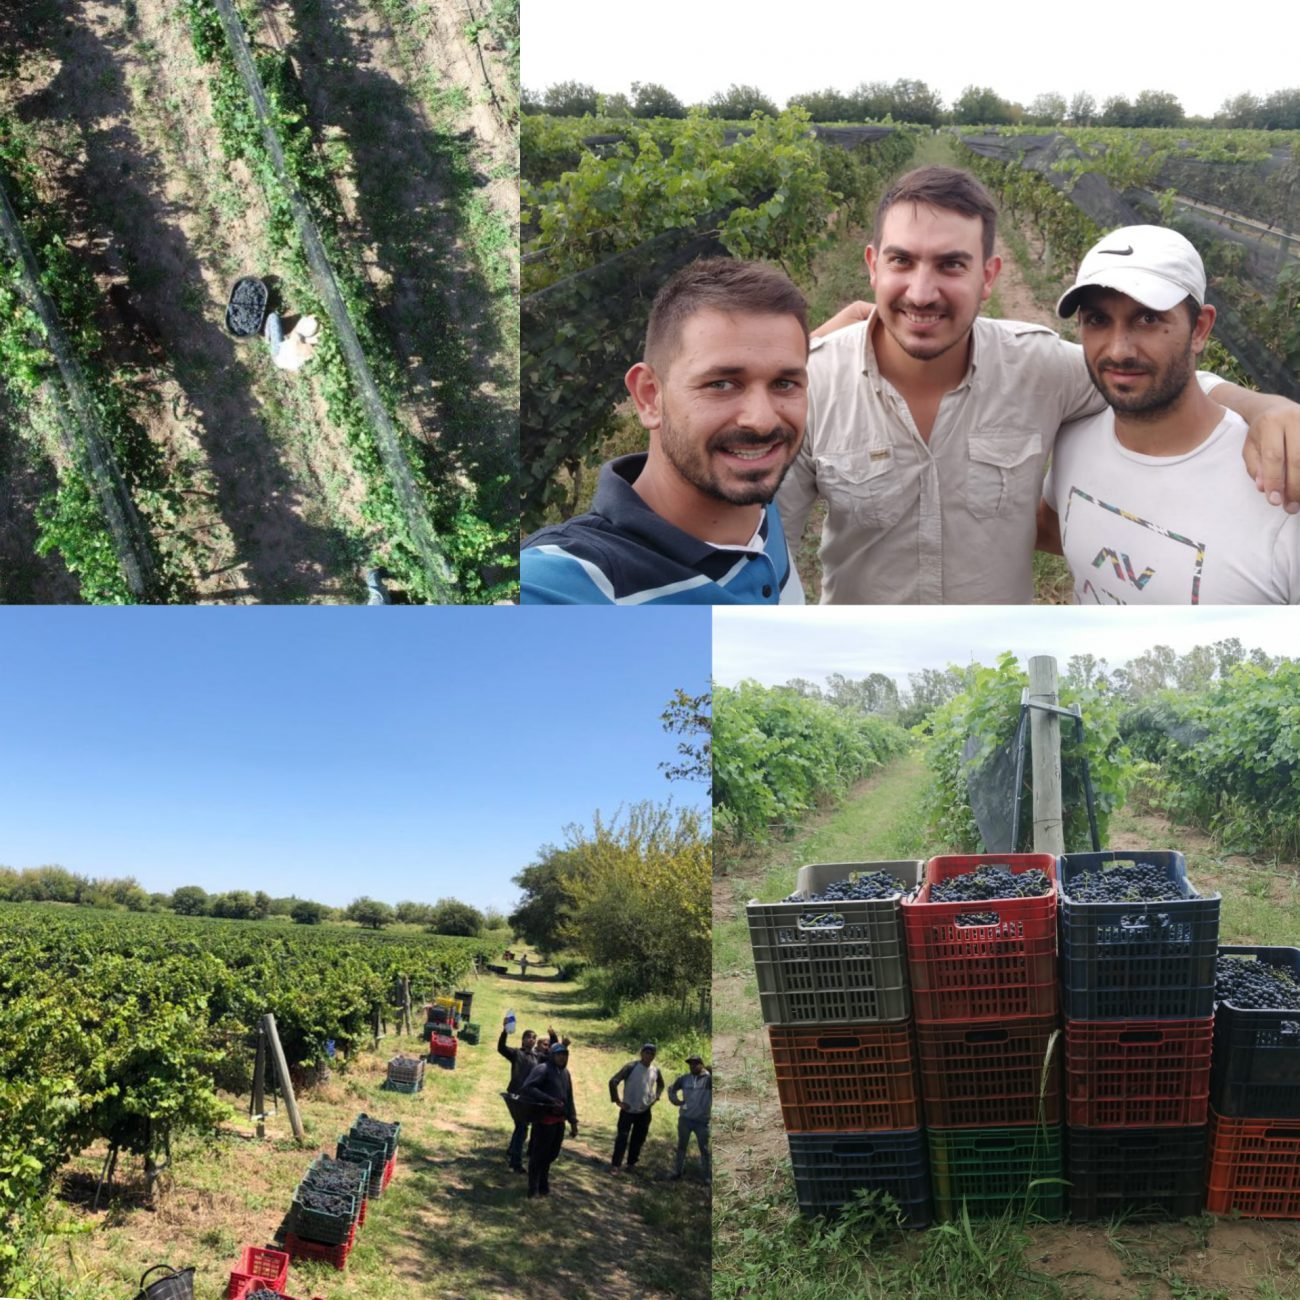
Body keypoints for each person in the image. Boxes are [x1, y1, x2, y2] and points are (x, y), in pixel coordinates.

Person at [776, 165, 1300, 604]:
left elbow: (1148, 378)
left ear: (989, 275)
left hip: (1001, 663)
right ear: (873, 266)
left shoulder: (1039, 368)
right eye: (902, 260)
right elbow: (768, 554)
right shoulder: (813, 384)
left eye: (951, 264)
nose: (922, 291)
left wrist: (1263, 405)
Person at [520, 258, 809, 604]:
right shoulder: (566, 585)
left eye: (784, 383)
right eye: (721, 384)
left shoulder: (755, 492)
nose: (762, 421)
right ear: (649, 396)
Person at [1038, 225, 1300, 603]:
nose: (1118, 350)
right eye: (1097, 319)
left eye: (1147, 319)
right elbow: (1056, 532)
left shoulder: (1278, 485)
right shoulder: (1072, 442)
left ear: (1200, 329)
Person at [519, 1041, 578, 1198]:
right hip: (544, 1119)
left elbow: (569, 1097)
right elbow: (528, 1087)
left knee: (552, 1154)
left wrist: (573, 1121)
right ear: (552, 1055)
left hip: (559, 1120)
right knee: (538, 1154)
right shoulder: (543, 1069)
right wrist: (549, 1099)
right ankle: (533, 1188)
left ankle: (543, 1183)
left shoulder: (565, 1073)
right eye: (559, 1055)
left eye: (565, 1055)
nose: (562, 1058)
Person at [608, 1042, 664, 1173]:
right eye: (647, 1053)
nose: (649, 1056)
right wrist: (617, 1101)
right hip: (628, 1109)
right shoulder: (631, 1067)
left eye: (652, 1054)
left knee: (639, 1138)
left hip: (645, 1110)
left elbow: (661, 1084)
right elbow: (613, 1081)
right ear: (642, 1053)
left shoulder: (655, 1070)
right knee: (622, 1137)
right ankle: (616, 1165)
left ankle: (631, 1164)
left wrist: (657, 1096)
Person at [497, 1019, 541, 1172]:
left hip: (529, 1098)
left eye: (534, 1037)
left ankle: (511, 1151)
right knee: (522, 1128)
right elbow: (501, 1048)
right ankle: (515, 1162)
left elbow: (553, 1061)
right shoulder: (516, 1054)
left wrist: (555, 1040)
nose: (531, 1039)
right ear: (523, 1040)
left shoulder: (538, 1058)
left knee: (521, 1126)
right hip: (516, 1096)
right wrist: (504, 1031)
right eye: (528, 1037)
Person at [668, 1054, 711, 1184]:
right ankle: (677, 1172)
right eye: (690, 1063)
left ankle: (707, 1177)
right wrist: (675, 1100)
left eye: (696, 1063)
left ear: (701, 1064)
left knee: (704, 1149)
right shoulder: (685, 1079)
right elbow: (672, 1089)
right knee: (681, 1146)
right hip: (685, 1120)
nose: (692, 1066)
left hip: (702, 1122)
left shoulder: (709, 1080)